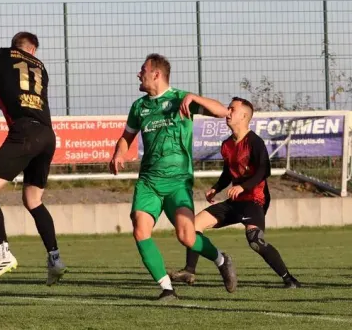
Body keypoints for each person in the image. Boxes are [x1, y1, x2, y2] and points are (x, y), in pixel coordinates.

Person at [109, 53, 237, 301]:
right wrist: (118, 154)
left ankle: (222, 260)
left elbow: (223, 112)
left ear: (156, 74)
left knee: (186, 236)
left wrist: (194, 97)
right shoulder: (139, 106)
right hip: (148, 181)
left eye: (142, 70)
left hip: (178, 182)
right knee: (140, 229)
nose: (138, 74)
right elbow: (127, 137)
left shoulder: (181, 99)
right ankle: (167, 288)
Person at [0, 32, 67, 286]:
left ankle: (3, 254)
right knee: (33, 200)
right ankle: (55, 258)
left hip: (26, 133)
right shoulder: (41, 68)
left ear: (14, 46)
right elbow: (24, 107)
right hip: (47, 136)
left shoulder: (3, 55)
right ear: (33, 51)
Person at [169, 97, 301, 289]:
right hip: (234, 200)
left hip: (254, 200)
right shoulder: (227, 144)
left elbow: (265, 170)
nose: (227, 112)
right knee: (193, 227)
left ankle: (290, 280)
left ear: (244, 116)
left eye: (232, 109)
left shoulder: (254, 142)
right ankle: (190, 270)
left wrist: (243, 186)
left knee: (255, 241)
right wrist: (216, 188)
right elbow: (227, 173)